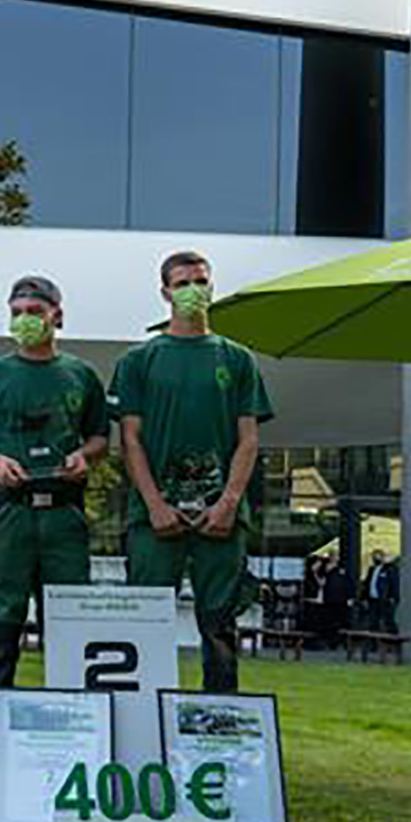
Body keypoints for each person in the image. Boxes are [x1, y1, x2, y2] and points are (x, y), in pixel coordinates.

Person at [0, 275, 110, 764]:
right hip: (10, 517)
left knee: (68, 624)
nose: (25, 319)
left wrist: (86, 456)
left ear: (57, 315)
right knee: (1, 626)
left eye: (35, 311)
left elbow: (100, 437)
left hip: (62, 515)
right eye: (17, 310)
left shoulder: (80, 375)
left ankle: (74, 726)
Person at [113, 250, 274, 694]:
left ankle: (219, 719)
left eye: (199, 281)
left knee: (219, 626)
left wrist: (227, 503)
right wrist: (154, 505)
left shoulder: (237, 360)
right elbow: (130, 441)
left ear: (212, 287)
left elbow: (249, 440)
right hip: (154, 518)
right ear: (165, 292)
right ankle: (144, 714)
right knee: (146, 622)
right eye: (182, 283)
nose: (192, 290)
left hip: (221, 519)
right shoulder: (138, 361)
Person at [361, 550, 400, 633]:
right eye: (374, 557)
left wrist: (393, 596)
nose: (375, 558)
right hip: (373, 599)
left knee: (387, 620)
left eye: (378, 556)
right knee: (373, 621)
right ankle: (373, 642)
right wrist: (364, 597)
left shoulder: (389, 569)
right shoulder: (371, 569)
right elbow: (367, 584)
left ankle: (392, 640)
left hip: (384, 598)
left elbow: (394, 582)